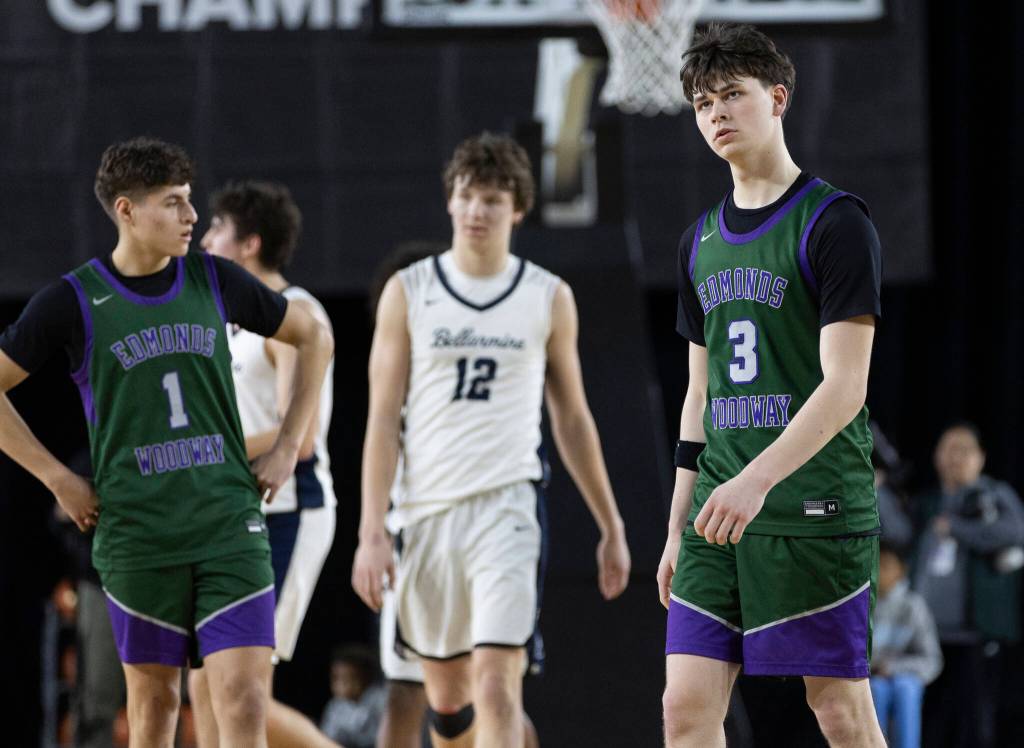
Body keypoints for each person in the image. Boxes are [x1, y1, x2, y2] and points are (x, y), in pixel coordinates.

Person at [0, 137, 333, 747]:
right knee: (153, 710)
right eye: (174, 203)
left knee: (244, 698)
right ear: (126, 210)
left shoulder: (214, 278)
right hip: (139, 531)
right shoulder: (74, 300)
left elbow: (312, 336)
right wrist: (56, 476)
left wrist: (288, 444)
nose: (192, 217)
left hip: (227, 522)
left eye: (190, 201)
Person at [351, 132, 631, 748]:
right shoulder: (410, 290)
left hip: (506, 508)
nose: (477, 210)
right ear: (450, 203)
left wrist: (609, 524)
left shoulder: (548, 296)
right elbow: (380, 420)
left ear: (518, 211)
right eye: (467, 196)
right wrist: (372, 530)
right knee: (448, 705)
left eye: (493, 200)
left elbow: (574, 419)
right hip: (424, 515)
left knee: (499, 684)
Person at [657, 23, 885, 748]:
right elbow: (700, 396)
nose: (716, 112)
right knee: (685, 708)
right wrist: (675, 524)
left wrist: (755, 482)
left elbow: (845, 387)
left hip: (808, 504)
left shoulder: (835, 222)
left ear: (778, 98)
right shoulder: (699, 240)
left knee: (839, 711)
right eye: (702, 102)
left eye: (732, 94)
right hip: (716, 510)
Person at [188, 181, 340, 747]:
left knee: (243, 689)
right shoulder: (220, 317)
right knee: (202, 685)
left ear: (249, 243)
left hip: (290, 509)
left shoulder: (297, 313)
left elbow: (296, 438)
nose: (203, 238)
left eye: (217, 228)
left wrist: (202, 447)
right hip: (227, 515)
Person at [913, 422, 1024, 748]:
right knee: (928, 718)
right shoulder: (929, 502)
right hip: (926, 634)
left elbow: (1014, 531)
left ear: (981, 458)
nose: (955, 457)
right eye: (948, 448)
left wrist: (958, 528)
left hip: (977, 632)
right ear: (935, 456)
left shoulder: (995, 494)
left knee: (974, 720)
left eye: (964, 449)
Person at [870, 542, 943, 748]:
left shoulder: (913, 606)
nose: (878, 571)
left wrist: (893, 668)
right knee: (877, 689)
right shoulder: (863, 604)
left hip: (902, 676)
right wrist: (875, 668)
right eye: (875, 564)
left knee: (906, 687)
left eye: (885, 565)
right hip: (869, 678)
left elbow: (932, 659)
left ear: (901, 571)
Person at [320, 644, 387, 748]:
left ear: (366, 677)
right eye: (336, 678)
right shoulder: (336, 706)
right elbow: (327, 738)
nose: (341, 685)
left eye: (348, 678)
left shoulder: (380, 701)